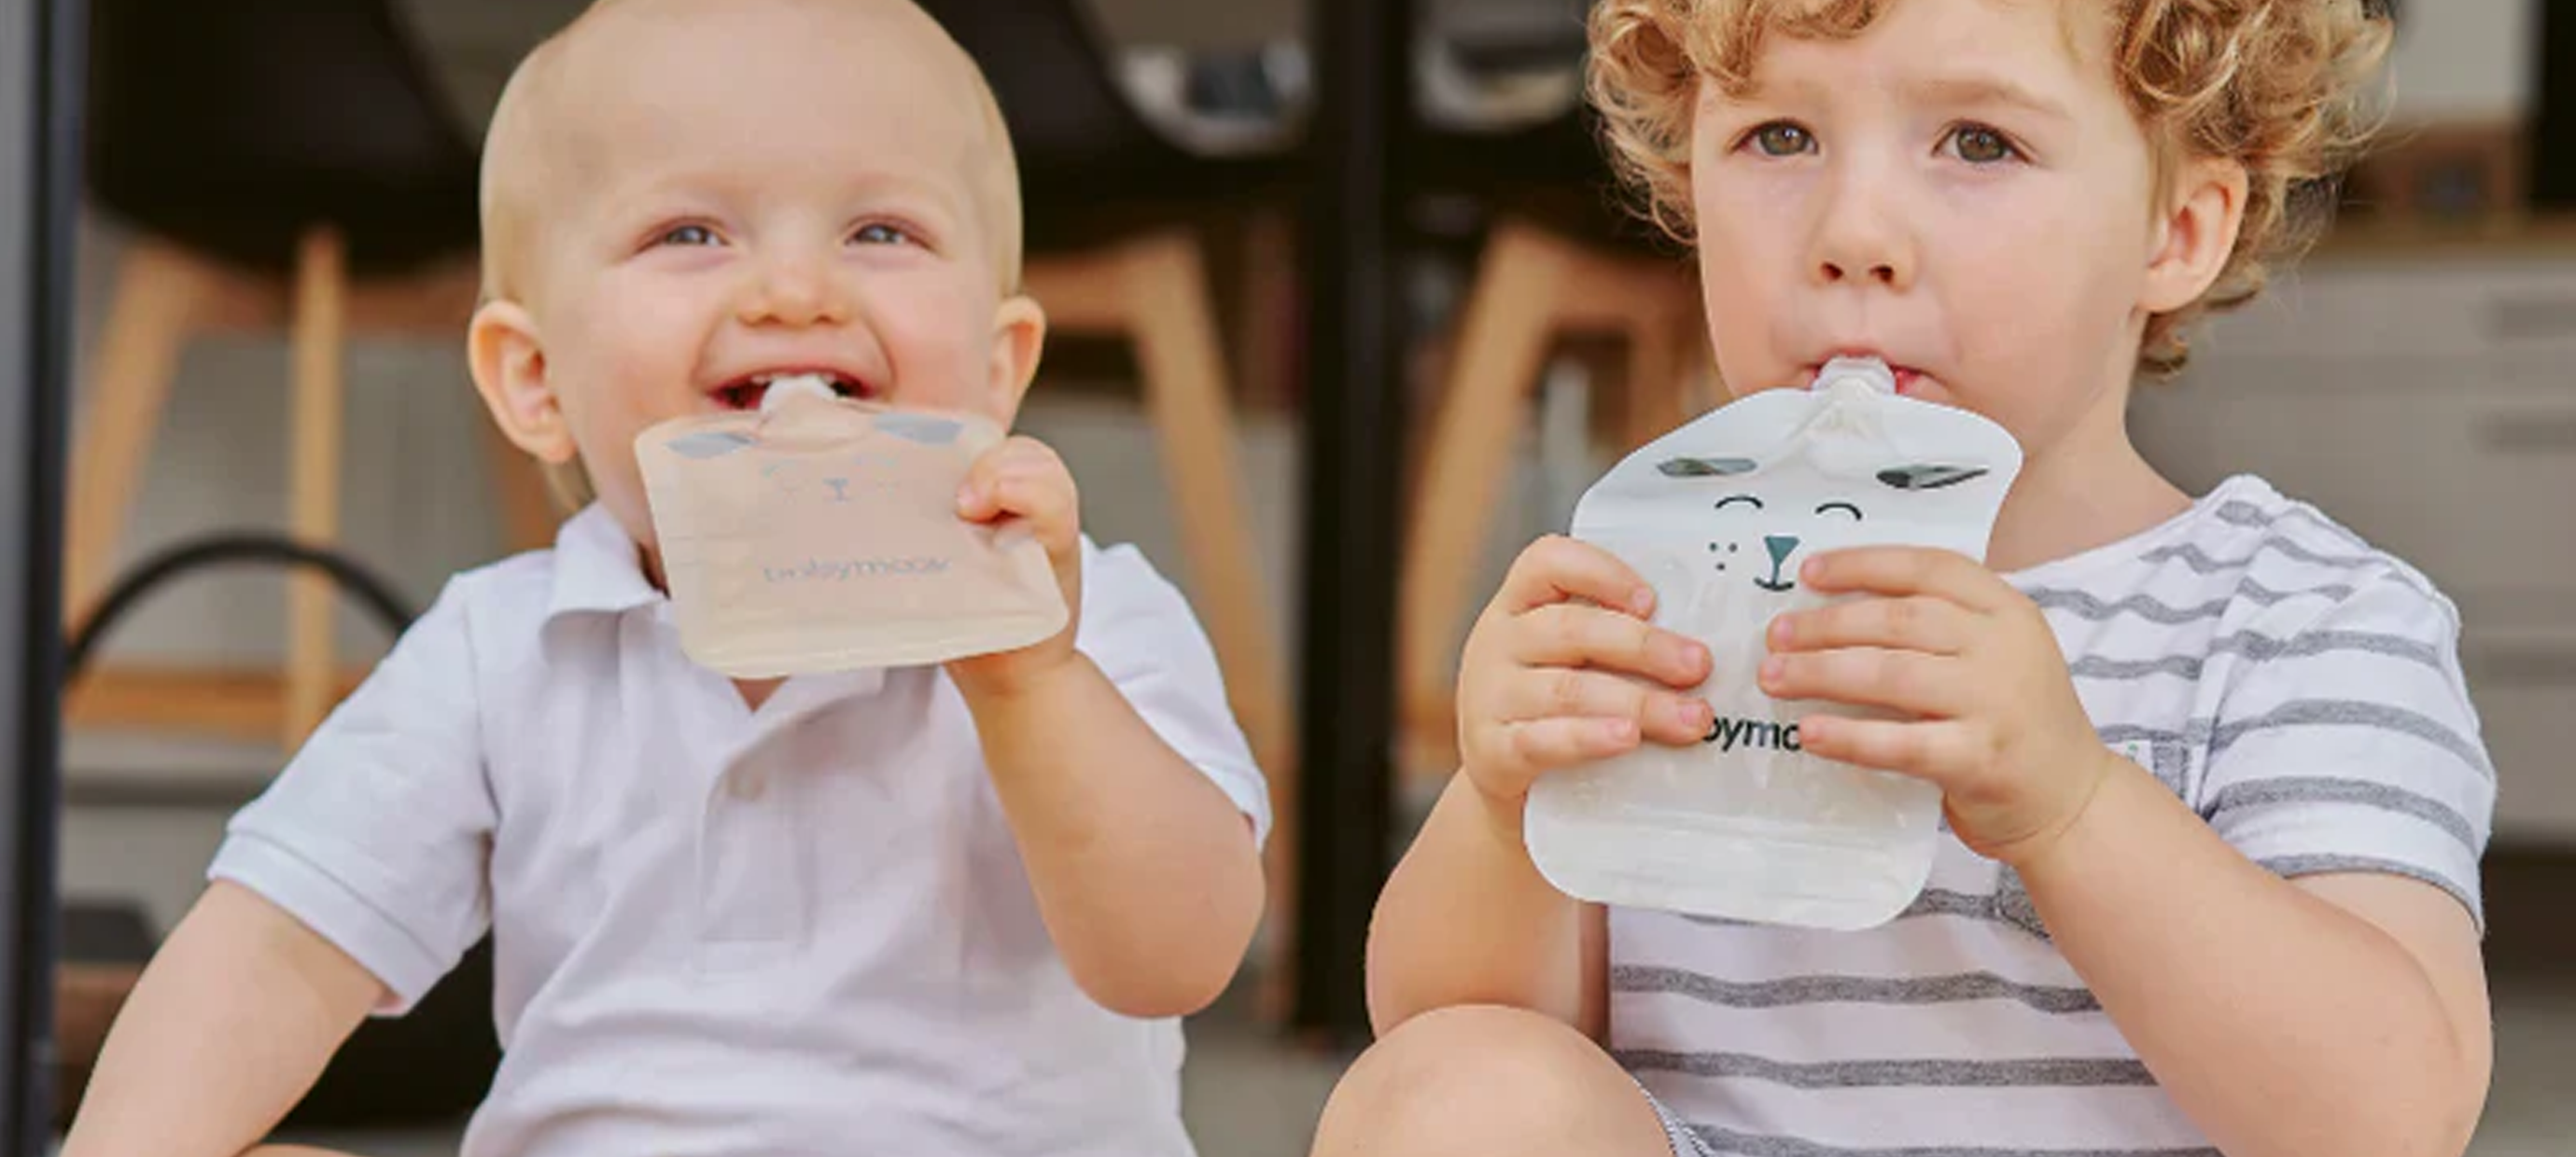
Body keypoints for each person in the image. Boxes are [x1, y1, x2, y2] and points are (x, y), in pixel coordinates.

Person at [61, 2, 1268, 1153]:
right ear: (537, 382)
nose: (796, 289)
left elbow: (1177, 956)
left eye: (880, 233)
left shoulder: (1087, 615)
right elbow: (274, 947)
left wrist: (1029, 683)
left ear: (1001, 369)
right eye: (690, 233)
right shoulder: (503, 648)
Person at [1317, 3, 2494, 1156]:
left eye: (1979, 142)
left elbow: (2387, 1117)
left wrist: (2072, 806)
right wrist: (1504, 804)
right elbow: (1448, 1045)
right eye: (1779, 137)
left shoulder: (2300, 619)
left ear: (2177, 232)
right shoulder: (1656, 594)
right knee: (1449, 1091)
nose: (1854, 229)